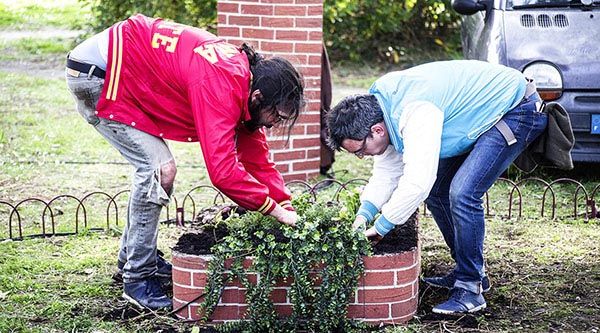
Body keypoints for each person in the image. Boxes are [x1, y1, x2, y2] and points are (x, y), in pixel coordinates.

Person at [65, 14, 304, 310]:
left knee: (158, 171)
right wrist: (274, 211)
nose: (272, 125)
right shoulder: (221, 83)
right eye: (276, 116)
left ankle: (134, 259)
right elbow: (223, 172)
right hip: (99, 75)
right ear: (257, 97)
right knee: (158, 171)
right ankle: (137, 280)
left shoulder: (242, 81)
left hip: (122, 69)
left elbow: (257, 161)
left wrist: (287, 206)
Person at [326, 60, 547, 314]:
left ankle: (470, 288)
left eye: (360, 150)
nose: (362, 157)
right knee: (438, 191)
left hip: (516, 108)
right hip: (480, 111)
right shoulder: (382, 109)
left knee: (463, 193)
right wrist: (363, 215)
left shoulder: (415, 112)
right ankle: (471, 271)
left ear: (376, 130)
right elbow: (387, 173)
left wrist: (382, 227)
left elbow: (418, 182)